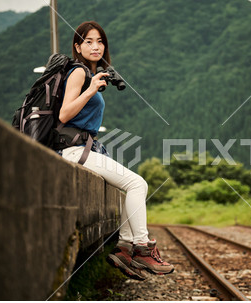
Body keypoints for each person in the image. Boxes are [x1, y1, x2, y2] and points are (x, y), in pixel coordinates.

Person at [59, 21, 174, 280]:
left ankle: (123, 249)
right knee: (137, 184)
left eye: (100, 41)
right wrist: (90, 89)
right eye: (88, 41)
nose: (95, 46)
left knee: (128, 188)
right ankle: (142, 248)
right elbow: (64, 114)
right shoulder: (78, 73)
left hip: (83, 149)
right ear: (77, 46)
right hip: (74, 151)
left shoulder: (90, 73)